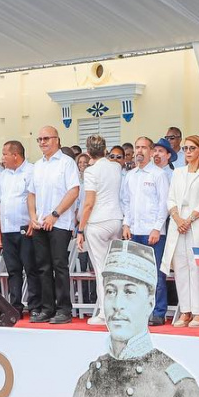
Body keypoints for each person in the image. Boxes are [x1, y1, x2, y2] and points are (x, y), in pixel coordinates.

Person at [63, 240, 199, 397]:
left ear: (150, 302)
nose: (117, 305)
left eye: (129, 292)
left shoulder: (178, 386)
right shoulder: (87, 378)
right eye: (111, 291)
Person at [27, 126, 81, 324]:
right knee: (42, 266)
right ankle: (47, 308)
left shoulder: (66, 163)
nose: (42, 142)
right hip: (40, 223)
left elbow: (73, 191)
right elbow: (31, 193)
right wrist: (33, 216)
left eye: (46, 138)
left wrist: (55, 214)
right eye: (39, 139)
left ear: (57, 140)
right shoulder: (37, 166)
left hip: (60, 222)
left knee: (59, 266)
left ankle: (64, 309)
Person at [162, 135, 199, 327]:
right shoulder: (178, 172)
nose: (188, 152)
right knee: (181, 267)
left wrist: (189, 219)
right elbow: (171, 197)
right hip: (178, 223)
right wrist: (177, 218)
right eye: (185, 148)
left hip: (197, 223)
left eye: (192, 148)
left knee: (197, 266)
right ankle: (186, 310)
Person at [122, 137, 172, 326]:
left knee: (156, 274)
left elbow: (164, 204)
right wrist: (126, 224)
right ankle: (140, 312)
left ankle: (158, 312)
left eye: (144, 147)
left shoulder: (158, 175)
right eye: (137, 147)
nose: (139, 151)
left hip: (153, 232)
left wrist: (157, 228)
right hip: (135, 231)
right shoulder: (130, 175)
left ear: (151, 152)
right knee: (136, 275)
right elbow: (126, 202)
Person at [77, 135, 125, 326]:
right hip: (116, 219)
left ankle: (106, 314)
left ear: (88, 153)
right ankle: (118, 311)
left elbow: (88, 203)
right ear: (105, 150)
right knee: (115, 270)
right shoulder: (115, 166)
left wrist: (80, 230)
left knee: (101, 271)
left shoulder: (90, 171)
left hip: (98, 222)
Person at [0, 141, 37, 317]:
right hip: (7, 229)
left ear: (15, 155)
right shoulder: (3, 175)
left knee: (31, 268)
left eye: (5, 154)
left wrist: (33, 222)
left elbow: (35, 198)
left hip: (26, 227)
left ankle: (35, 306)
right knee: (13, 270)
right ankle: (15, 306)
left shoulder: (31, 171)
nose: (2, 157)